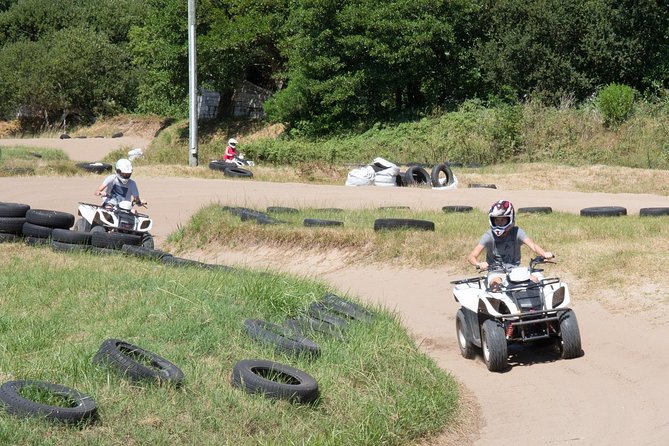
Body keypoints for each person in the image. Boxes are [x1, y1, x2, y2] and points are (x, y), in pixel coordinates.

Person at [466, 199, 553, 291]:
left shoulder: (517, 232)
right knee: (496, 286)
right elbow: (472, 256)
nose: (499, 223)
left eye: (503, 219)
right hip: (496, 271)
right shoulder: (489, 235)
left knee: (534, 282)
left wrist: (544, 254)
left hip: (515, 270)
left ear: (510, 218)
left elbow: (533, 245)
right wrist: (478, 264)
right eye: (496, 220)